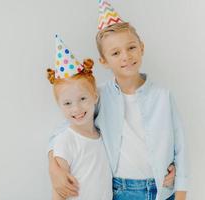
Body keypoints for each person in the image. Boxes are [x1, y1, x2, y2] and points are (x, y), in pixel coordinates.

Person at [48, 2, 188, 200]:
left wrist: (181, 194)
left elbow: (180, 149)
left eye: (131, 47)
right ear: (104, 61)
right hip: (121, 190)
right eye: (115, 53)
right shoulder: (98, 96)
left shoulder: (163, 96)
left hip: (163, 190)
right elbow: (64, 130)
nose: (126, 56)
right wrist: (53, 167)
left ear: (142, 48)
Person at [47, 35, 112, 200]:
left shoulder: (102, 135)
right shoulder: (65, 140)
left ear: (95, 96)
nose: (76, 108)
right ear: (59, 106)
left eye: (83, 99)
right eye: (67, 103)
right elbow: (58, 191)